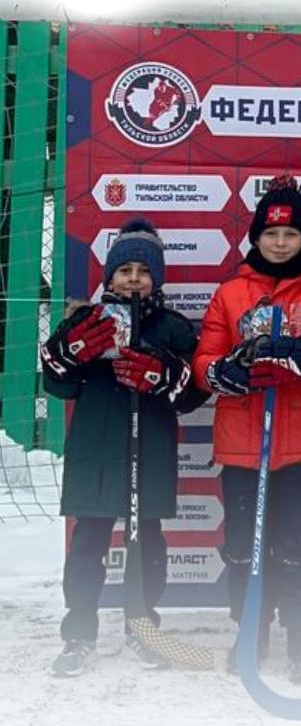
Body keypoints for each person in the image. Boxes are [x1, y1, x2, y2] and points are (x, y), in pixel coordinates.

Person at [41, 219, 207, 677]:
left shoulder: (172, 328)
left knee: (147, 545)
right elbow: (58, 385)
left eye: (143, 270)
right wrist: (65, 353)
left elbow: (195, 393)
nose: (133, 278)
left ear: (157, 278)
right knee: (87, 544)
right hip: (95, 450)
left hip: (147, 452)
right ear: (108, 275)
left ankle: (144, 627)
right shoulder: (85, 319)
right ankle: (78, 634)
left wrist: (165, 374)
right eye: (124, 269)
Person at [193, 175, 301, 685]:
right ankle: (250, 629)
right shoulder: (232, 292)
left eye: (291, 235)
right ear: (256, 237)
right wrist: (225, 371)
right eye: (272, 234)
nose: (280, 243)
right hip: (242, 443)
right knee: (244, 545)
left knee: (300, 544)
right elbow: (205, 359)